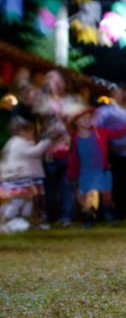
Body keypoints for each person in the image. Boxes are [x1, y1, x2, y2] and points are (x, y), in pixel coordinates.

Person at [65, 103, 126, 227]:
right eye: (83, 118)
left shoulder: (100, 132)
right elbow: (73, 156)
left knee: (106, 194)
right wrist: (72, 173)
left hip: (102, 169)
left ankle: (108, 216)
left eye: (89, 117)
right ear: (76, 122)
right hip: (85, 170)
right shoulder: (74, 138)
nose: (87, 120)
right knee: (87, 195)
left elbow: (116, 133)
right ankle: (89, 218)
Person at [34, 70, 82, 227]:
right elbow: (36, 119)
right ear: (48, 83)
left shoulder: (73, 100)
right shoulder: (42, 101)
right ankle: (50, 216)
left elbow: (82, 121)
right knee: (50, 185)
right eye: (53, 81)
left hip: (69, 148)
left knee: (68, 185)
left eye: (60, 81)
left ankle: (67, 217)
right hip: (49, 150)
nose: (57, 84)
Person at [94, 85, 126, 220]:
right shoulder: (104, 112)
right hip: (111, 153)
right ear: (112, 94)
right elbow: (95, 130)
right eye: (116, 93)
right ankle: (105, 212)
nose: (120, 96)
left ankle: (122, 212)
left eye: (122, 93)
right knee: (109, 184)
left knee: (125, 184)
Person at [0, 117, 51, 231]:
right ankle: (5, 221)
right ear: (20, 132)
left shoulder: (22, 142)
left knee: (28, 200)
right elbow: (34, 152)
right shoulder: (18, 143)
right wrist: (46, 142)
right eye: (29, 131)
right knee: (18, 200)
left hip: (25, 176)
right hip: (18, 177)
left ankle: (27, 220)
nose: (32, 133)